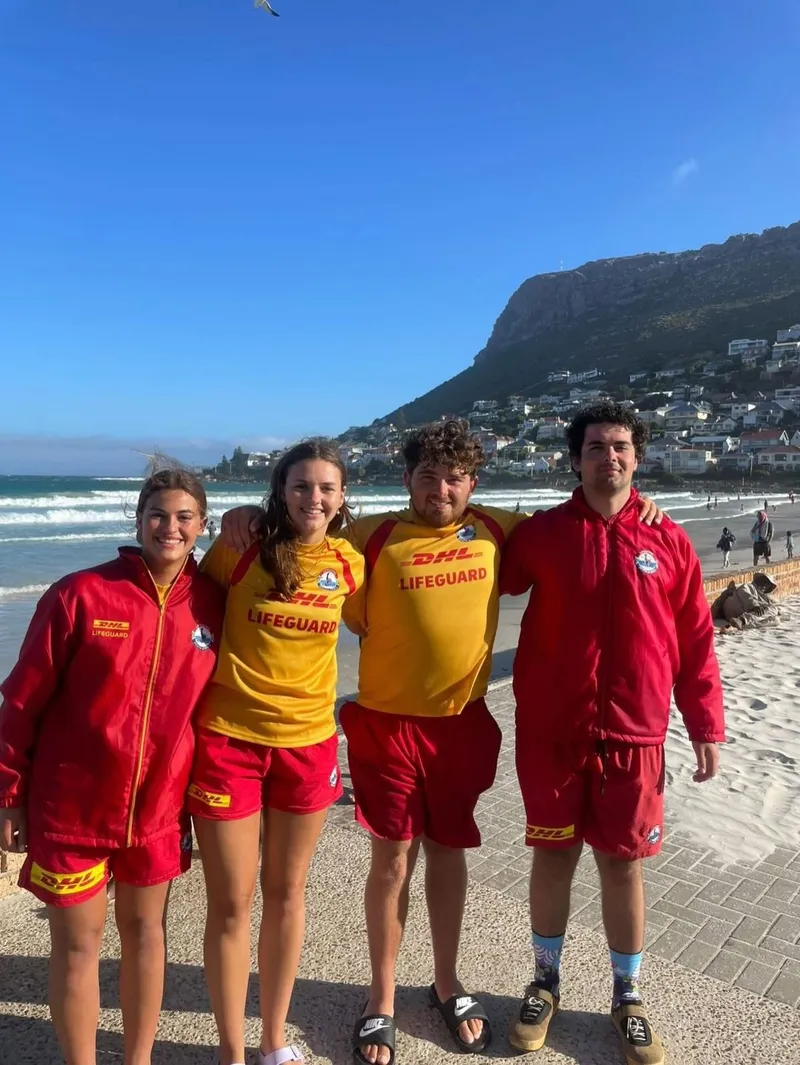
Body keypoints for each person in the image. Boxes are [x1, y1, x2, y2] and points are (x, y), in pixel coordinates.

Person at [221, 420, 663, 1065]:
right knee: (393, 859)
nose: (441, 489)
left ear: (472, 483)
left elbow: (582, 523)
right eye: (427, 476)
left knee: (450, 854)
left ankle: (448, 982)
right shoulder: (369, 538)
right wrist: (241, 515)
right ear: (406, 481)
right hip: (384, 724)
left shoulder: (498, 530)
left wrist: (643, 507)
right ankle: (380, 999)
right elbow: (303, 538)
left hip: (462, 724)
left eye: (454, 477)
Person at [500, 403, 724, 1065]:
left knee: (623, 865)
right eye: (596, 446)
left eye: (621, 445)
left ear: (638, 457)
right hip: (553, 733)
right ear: (576, 459)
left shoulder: (670, 540)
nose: (610, 457)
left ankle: (628, 994)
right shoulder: (543, 533)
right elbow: (482, 559)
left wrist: (706, 722)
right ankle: (545, 980)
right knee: (553, 856)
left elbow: (695, 640)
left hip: (635, 734)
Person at [0, 463, 224, 1065]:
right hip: (69, 808)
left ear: (202, 525)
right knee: (77, 947)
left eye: (183, 517)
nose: (169, 527)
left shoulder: (213, 604)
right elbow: (22, 700)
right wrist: (9, 793)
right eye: (157, 515)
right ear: (138, 520)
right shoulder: (80, 594)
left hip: (157, 811)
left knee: (147, 940)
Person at [189, 439, 365, 1065]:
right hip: (229, 743)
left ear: (343, 497)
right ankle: (233, 1051)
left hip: (308, 744)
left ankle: (273, 1039)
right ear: (280, 491)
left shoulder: (350, 563)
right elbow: (181, 607)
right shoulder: (238, 547)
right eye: (300, 486)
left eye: (325, 488)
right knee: (231, 904)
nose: (312, 498)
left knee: (287, 894)